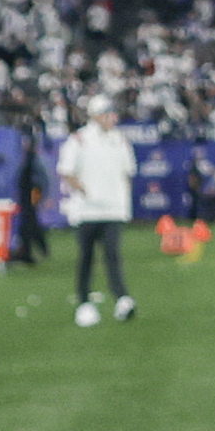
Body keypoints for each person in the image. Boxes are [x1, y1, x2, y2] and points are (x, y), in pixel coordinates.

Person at [62, 113, 138, 325]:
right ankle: (84, 301)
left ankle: (121, 297)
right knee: (86, 256)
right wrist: (86, 192)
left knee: (112, 253)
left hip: (112, 210)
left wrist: (120, 200)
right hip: (87, 211)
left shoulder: (120, 140)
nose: (110, 118)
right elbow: (67, 171)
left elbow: (127, 172)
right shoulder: (79, 139)